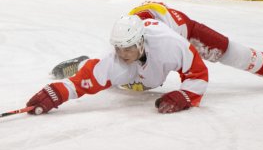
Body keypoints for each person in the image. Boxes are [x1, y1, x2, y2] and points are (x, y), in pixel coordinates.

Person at [50, 1, 263, 87]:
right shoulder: (130, 43)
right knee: (123, 78)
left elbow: (233, 56)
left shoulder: (172, 37)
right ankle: (82, 64)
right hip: (149, 25)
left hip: (178, 27)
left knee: (232, 52)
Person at [27, 14, 210, 116]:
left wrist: (184, 95)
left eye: (128, 49)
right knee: (110, 76)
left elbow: (198, 73)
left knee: (141, 83)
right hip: (129, 76)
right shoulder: (114, 58)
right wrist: (56, 92)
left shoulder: (170, 45)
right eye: (118, 48)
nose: (122, 54)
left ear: (140, 42)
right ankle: (81, 62)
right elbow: (85, 80)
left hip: (152, 69)